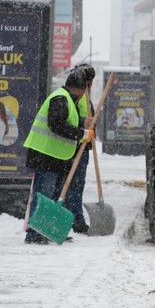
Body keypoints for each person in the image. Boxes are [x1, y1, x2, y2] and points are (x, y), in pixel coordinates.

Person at [23, 68, 95, 244]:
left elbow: (65, 121)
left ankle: (47, 230)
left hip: (56, 158)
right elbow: (56, 124)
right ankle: (34, 233)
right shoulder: (60, 98)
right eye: (83, 90)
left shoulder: (68, 100)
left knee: (55, 197)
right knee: (44, 195)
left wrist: (81, 125)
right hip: (45, 155)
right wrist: (80, 133)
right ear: (78, 89)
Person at [64, 64, 96, 234]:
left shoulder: (84, 96)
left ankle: (75, 219)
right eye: (88, 84)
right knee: (73, 184)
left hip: (81, 143)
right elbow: (73, 117)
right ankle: (75, 220)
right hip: (75, 145)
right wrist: (85, 126)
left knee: (76, 184)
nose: (89, 87)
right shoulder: (75, 95)